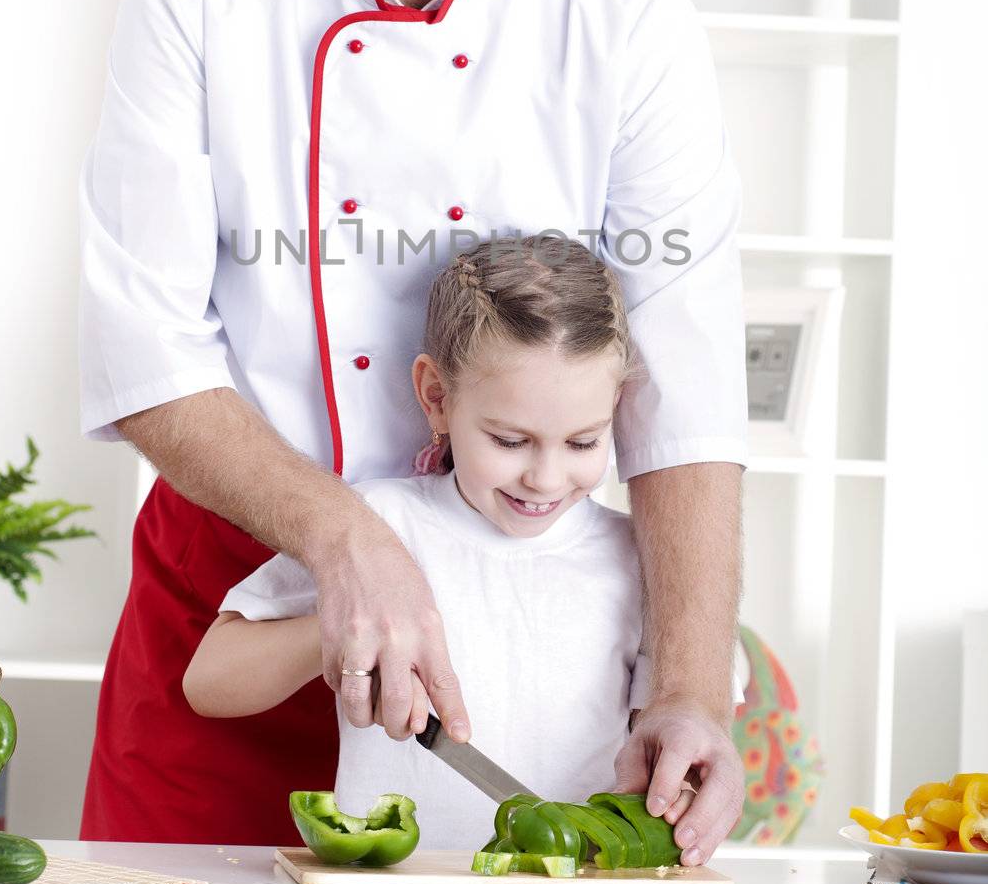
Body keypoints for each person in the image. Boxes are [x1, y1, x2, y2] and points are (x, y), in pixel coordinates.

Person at [78, 0, 748, 863]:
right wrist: (348, 540)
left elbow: (687, 381)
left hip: (493, 637)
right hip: (237, 598)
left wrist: (689, 683)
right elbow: (145, 352)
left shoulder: (626, 17)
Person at [183, 236, 717, 849]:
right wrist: (350, 625)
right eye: (510, 441)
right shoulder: (378, 525)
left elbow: (687, 733)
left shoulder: (638, 558)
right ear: (436, 397)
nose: (544, 478)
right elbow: (209, 684)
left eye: (582, 442)